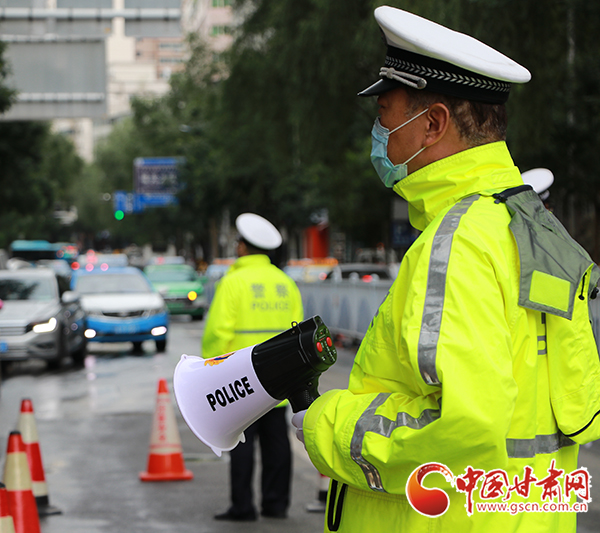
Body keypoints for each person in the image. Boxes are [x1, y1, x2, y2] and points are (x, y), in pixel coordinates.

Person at [291, 6, 600, 532]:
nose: (379, 133)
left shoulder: (458, 241)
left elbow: (466, 424)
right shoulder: (530, 229)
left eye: (385, 113)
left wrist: (328, 424)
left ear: (432, 123)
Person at [202, 213, 304, 521]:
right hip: (279, 379)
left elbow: (218, 333)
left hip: (242, 379)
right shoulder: (286, 284)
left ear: (244, 248)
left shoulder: (232, 283)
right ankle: (276, 505)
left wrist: (211, 372)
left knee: (242, 443)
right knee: (277, 442)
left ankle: (243, 507)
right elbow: (296, 331)